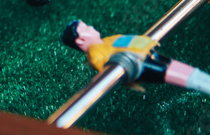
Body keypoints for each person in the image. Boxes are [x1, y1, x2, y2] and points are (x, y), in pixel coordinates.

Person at [62, 20, 210, 95]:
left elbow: (129, 40)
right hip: (141, 65)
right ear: (80, 40)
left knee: (184, 70)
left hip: (147, 55)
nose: (91, 27)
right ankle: (204, 85)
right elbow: (103, 65)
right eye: (85, 28)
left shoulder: (108, 40)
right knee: (178, 75)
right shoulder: (95, 53)